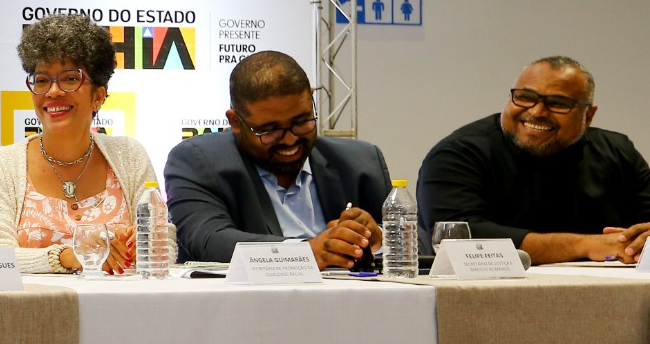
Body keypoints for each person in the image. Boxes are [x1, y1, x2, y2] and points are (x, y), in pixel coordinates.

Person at [0, 14, 163, 274]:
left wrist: (135, 245)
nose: (53, 91)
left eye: (70, 79)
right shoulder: (1, 164)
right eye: (42, 80)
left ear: (98, 96)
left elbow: (163, 247)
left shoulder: (129, 156)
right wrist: (67, 256)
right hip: (35, 300)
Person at [164, 50, 389, 267]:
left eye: (301, 122)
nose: (290, 140)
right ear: (235, 122)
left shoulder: (361, 162)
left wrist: (377, 238)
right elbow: (209, 241)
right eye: (270, 130)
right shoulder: (198, 162)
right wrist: (306, 252)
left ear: (311, 99)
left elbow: (405, 246)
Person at [417, 55, 650, 264]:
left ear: (588, 115)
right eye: (525, 97)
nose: (536, 112)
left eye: (557, 103)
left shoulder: (618, 152)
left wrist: (640, 240)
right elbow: (457, 236)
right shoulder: (458, 153)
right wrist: (587, 245)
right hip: (491, 290)